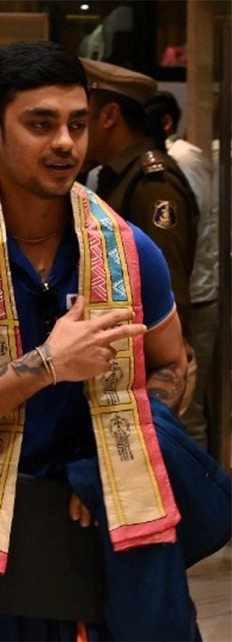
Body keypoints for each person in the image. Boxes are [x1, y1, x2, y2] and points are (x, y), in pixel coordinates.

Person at [0, 41, 199, 640]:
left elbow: (172, 364)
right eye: (41, 123)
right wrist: (46, 365)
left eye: (77, 124)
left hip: (108, 516)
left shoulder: (130, 250)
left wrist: (119, 456)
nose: (65, 143)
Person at [82, 58, 199, 335]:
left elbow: (169, 284)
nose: (73, 130)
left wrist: (168, 367)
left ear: (109, 116)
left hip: (155, 357)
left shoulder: (152, 183)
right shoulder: (115, 175)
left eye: (80, 119)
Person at [144, 90, 218, 451]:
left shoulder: (181, 160)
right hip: (187, 293)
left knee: (187, 411)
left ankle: (201, 503)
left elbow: (191, 229)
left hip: (193, 296)